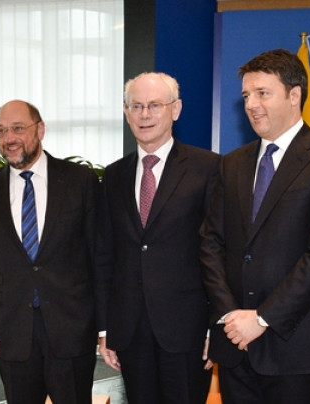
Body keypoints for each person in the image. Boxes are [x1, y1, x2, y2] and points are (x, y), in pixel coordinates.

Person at [200, 49, 310, 404]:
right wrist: (230, 316)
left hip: (296, 349)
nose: (252, 104)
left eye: (262, 93)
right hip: (235, 346)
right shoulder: (232, 164)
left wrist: (261, 319)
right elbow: (211, 243)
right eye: (246, 96)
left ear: (294, 95)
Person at [96, 72, 219, 403]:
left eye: (154, 105)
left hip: (188, 332)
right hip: (130, 332)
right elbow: (106, 255)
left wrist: (214, 327)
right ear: (126, 112)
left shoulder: (208, 168)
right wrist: (106, 330)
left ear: (175, 110)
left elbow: (219, 252)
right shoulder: (113, 176)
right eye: (136, 106)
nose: (145, 114)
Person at [0, 100, 100, 404]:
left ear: (40, 129)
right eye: (1, 131)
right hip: (12, 332)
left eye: (17, 128)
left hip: (71, 329)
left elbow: (100, 259)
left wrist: (103, 327)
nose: (9, 138)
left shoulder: (80, 181)